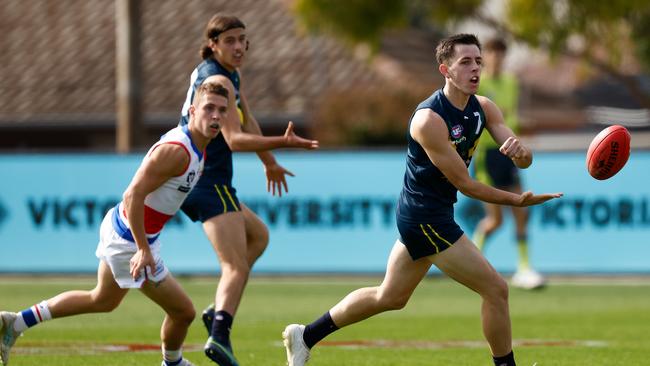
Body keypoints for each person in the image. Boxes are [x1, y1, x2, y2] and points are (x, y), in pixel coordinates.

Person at [282, 33, 563, 366]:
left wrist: (522, 154)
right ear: (445, 69)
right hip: (425, 217)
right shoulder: (428, 120)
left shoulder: (484, 108)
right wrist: (515, 201)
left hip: (429, 213)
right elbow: (465, 183)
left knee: (390, 296)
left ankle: (305, 335)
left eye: (478, 61)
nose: (475, 69)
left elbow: (523, 157)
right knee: (496, 289)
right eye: (465, 62)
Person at [0, 81, 232, 366]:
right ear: (193, 111)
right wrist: (143, 249)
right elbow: (133, 194)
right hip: (130, 241)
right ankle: (172, 363)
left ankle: (16, 323)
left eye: (222, 110)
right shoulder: (178, 151)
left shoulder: (199, 148)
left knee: (102, 300)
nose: (216, 116)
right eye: (209, 108)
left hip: (124, 228)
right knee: (183, 312)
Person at [178, 14, 319, 366]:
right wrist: (284, 142)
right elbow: (235, 138)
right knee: (235, 267)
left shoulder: (225, 75)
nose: (239, 46)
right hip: (207, 178)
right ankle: (220, 335)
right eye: (230, 40)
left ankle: (217, 313)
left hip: (205, 177)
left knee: (258, 236)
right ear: (213, 44)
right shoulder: (218, 80)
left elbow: (246, 118)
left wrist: (268, 160)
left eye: (243, 39)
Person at [471, 37, 544, 290]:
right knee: (495, 220)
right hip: (486, 157)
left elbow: (509, 117)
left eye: (501, 53)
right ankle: (472, 263)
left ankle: (523, 268)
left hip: (508, 156)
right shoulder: (477, 83)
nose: (497, 58)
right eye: (492, 53)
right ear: (486, 56)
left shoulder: (512, 83)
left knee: (522, 212)